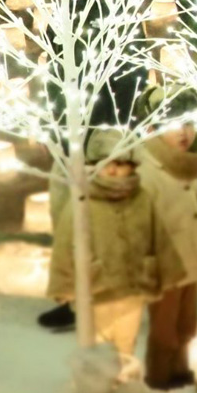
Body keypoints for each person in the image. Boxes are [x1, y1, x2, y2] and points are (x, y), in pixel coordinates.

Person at [48, 131, 158, 371]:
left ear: (132, 166)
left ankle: (124, 380)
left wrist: (157, 270)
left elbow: (156, 238)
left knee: (126, 342)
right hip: (98, 288)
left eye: (119, 163)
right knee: (99, 343)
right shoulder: (82, 201)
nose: (112, 170)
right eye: (105, 163)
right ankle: (99, 382)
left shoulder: (142, 199)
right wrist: (63, 285)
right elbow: (65, 244)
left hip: (132, 287)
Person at [138, 119, 197, 391]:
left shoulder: (185, 164)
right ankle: (159, 379)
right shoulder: (148, 170)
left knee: (186, 323)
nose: (184, 133)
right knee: (164, 328)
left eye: (188, 124)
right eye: (173, 126)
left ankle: (179, 369)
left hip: (189, 257)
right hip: (165, 264)